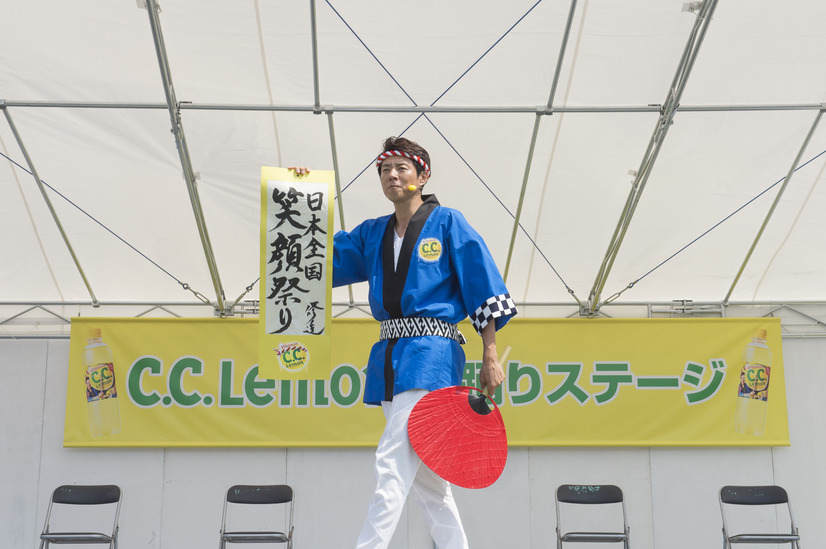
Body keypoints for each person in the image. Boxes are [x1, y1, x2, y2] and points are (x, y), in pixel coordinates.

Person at [290, 136, 516, 549]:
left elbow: (484, 287)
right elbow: (314, 254)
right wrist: (301, 199)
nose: (392, 176)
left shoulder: (449, 222)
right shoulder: (373, 233)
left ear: (422, 174)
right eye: (384, 169)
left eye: (401, 168)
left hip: (432, 355)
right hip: (390, 359)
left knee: (392, 461)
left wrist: (490, 354)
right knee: (430, 484)